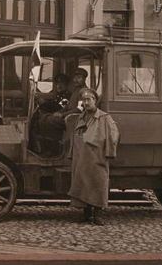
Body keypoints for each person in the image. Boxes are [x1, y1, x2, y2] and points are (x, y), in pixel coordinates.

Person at [68, 88, 120, 225]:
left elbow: (113, 135)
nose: (86, 103)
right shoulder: (81, 116)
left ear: (95, 101)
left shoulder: (104, 118)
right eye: (84, 100)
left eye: (88, 100)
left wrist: (108, 152)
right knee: (83, 184)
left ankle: (97, 215)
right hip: (82, 157)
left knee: (98, 184)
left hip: (97, 157)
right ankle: (86, 214)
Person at [33, 73, 71, 155]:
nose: (59, 86)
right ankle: (37, 146)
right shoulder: (56, 94)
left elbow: (58, 107)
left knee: (46, 121)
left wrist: (43, 103)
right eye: (57, 83)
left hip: (62, 118)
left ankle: (51, 150)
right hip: (54, 115)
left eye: (62, 83)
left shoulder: (67, 95)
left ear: (66, 84)